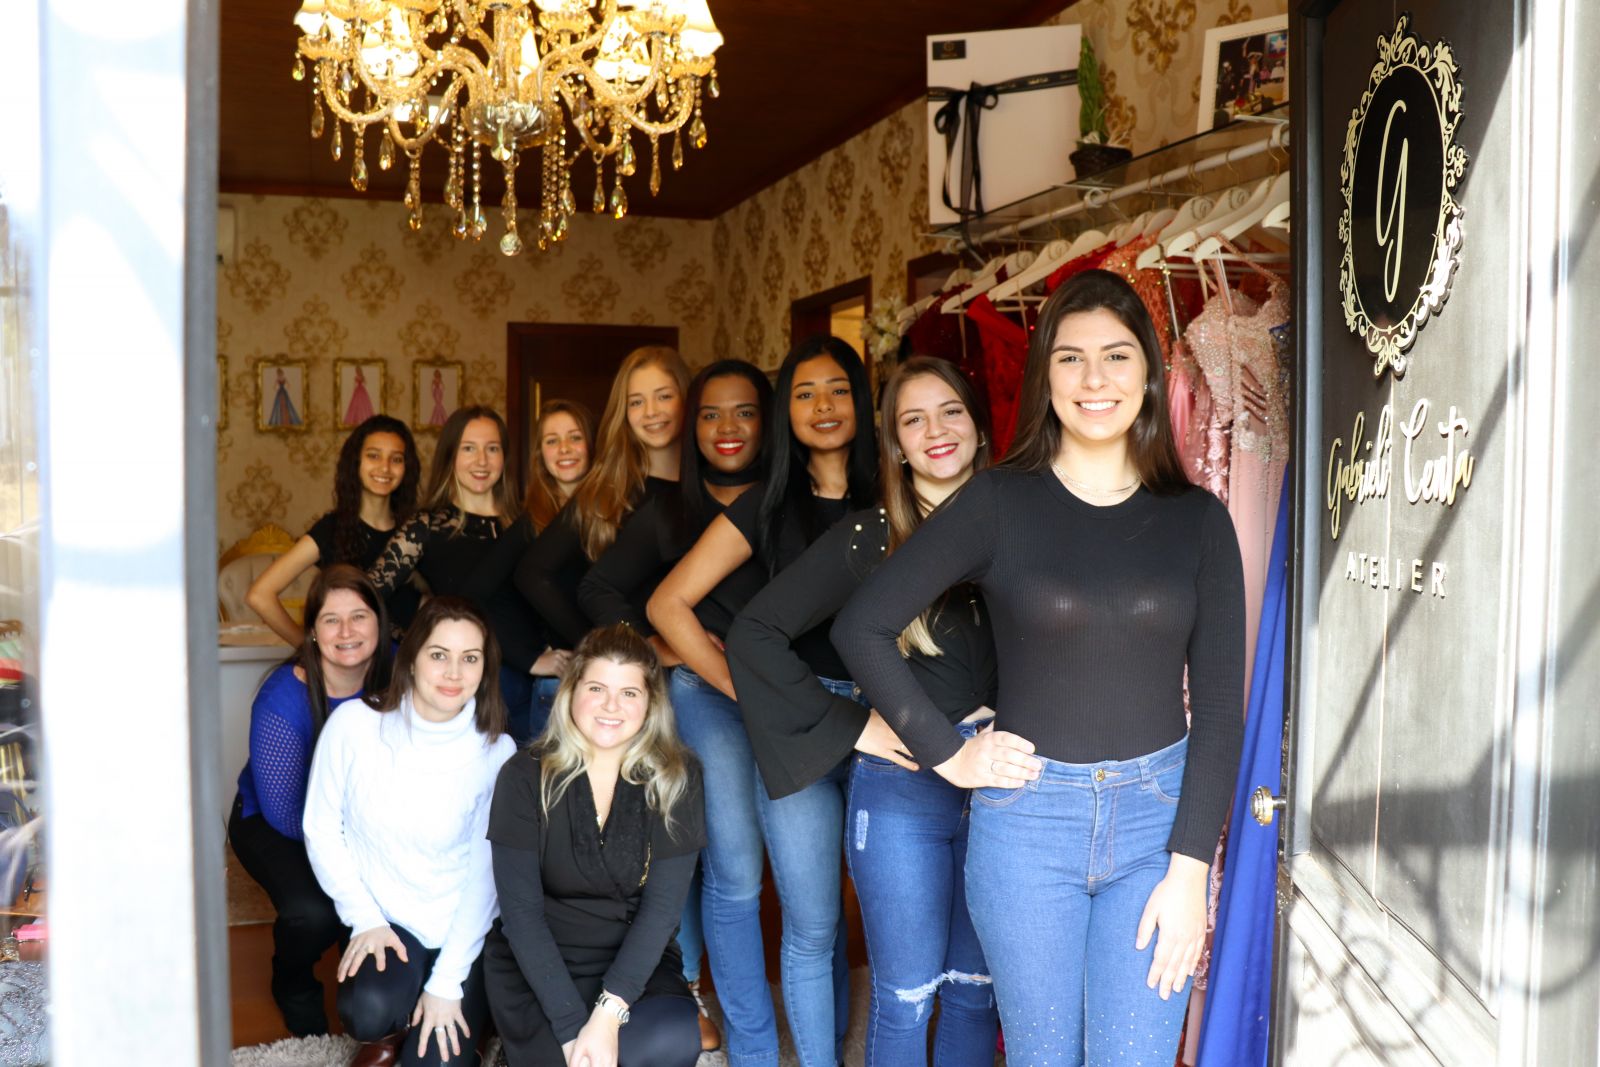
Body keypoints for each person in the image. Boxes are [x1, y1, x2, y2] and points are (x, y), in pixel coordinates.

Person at [833, 270, 1247, 1066]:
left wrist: (1192, 869)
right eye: (1071, 358)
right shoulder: (999, 502)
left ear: (1149, 372)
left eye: (1117, 356)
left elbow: (1223, 711)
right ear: (1044, 377)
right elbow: (862, 624)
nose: (1095, 380)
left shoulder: (1198, 519)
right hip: (1027, 826)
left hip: (1156, 830)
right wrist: (949, 754)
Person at [725, 357, 1000, 1066]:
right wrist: (854, 725)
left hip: (1003, 783)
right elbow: (755, 634)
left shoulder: (1021, 522)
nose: (935, 431)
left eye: (951, 411)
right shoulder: (869, 536)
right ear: (895, 445)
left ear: (979, 425)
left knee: (975, 993)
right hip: (905, 788)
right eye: (913, 420)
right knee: (905, 999)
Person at [648, 336, 877, 1067]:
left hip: (879, 718)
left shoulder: (895, 496)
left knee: (840, 903)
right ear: (787, 413)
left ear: (862, 400)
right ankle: (754, 1051)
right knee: (761, 889)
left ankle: (830, 1038)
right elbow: (667, 603)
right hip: (788, 715)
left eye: (837, 389)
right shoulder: (768, 505)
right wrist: (744, 686)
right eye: (804, 394)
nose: (823, 406)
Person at [577, 359, 771, 1053]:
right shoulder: (668, 505)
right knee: (718, 862)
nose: (727, 427)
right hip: (700, 694)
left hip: (783, 693)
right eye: (712, 413)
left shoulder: (782, 497)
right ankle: (693, 995)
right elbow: (596, 589)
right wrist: (654, 647)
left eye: (744, 411)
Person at [303, 596, 517, 1067]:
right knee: (367, 1011)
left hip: (465, 928)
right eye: (439, 654)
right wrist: (364, 917)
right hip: (390, 919)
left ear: (485, 668)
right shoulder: (354, 726)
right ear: (412, 658)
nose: (454, 672)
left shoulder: (497, 751)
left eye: (470, 658)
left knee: (434, 1062)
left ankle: (470, 1017)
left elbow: (486, 880)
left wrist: (447, 983)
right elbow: (320, 827)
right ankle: (396, 1023)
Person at [483, 624, 705, 1067]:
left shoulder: (677, 777)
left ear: (650, 703)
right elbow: (521, 917)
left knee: (668, 1042)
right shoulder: (523, 775)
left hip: (633, 959)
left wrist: (607, 1017)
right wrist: (570, 1031)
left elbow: (662, 912)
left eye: (629, 693)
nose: (611, 706)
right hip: (541, 961)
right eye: (597, 688)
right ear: (571, 692)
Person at [229, 564, 394, 1037]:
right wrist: (355, 863)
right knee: (314, 911)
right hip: (276, 822)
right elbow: (286, 814)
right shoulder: (282, 699)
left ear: (379, 623)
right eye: (330, 620)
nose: (346, 632)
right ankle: (293, 979)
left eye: (358, 617)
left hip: (364, 820)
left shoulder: (401, 671)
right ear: (313, 632)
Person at [367, 406, 567, 744]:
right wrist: (421, 618)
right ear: (450, 456)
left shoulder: (531, 521)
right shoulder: (427, 526)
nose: (482, 461)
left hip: (540, 691)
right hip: (471, 691)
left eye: (492, 448)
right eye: (469, 448)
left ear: (505, 457)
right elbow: (367, 596)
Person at [514, 346, 689, 652]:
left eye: (663, 396)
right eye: (636, 402)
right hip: (635, 661)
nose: (651, 411)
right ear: (624, 411)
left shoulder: (707, 485)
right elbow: (532, 573)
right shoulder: (608, 488)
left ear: (686, 397)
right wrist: (595, 642)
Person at [247, 415, 422, 645]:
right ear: (356, 462)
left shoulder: (418, 531)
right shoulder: (332, 529)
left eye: (396, 459)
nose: (385, 467)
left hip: (407, 662)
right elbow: (259, 595)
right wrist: (309, 648)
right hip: (349, 663)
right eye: (373, 455)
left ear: (407, 467)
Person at [523, 400, 595, 534]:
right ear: (540, 453)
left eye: (575, 438)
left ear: (592, 444)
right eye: (552, 441)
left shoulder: (618, 512)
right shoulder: (525, 523)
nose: (564, 449)